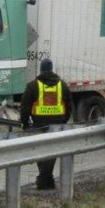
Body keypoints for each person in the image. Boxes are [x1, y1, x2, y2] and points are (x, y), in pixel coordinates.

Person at [19, 58, 73, 189]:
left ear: (41, 69)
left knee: (40, 151)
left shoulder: (33, 86)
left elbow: (25, 107)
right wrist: (63, 120)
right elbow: (69, 106)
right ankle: (47, 180)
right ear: (51, 69)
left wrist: (25, 123)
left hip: (39, 123)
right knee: (52, 151)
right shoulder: (62, 85)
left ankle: (43, 181)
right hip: (57, 123)